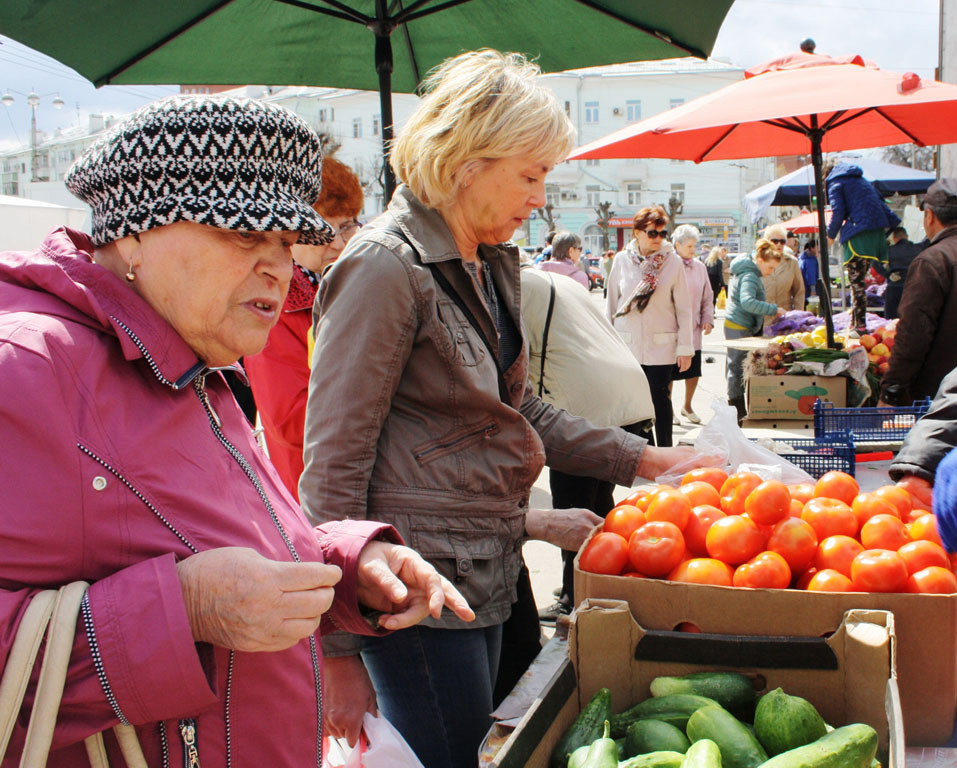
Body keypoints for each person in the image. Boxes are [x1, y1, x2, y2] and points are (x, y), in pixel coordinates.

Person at [0, 95, 473, 767]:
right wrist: (185, 609)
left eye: (286, 241)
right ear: (133, 233)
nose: (279, 267)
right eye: (244, 235)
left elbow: (229, 540)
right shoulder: (27, 368)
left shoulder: (188, 358)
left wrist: (343, 565)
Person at [298, 50, 702, 768]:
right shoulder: (384, 269)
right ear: (464, 162)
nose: (540, 195)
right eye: (530, 173)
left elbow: (516, 411)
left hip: (484, 569)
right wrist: (334, 648)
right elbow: (333, 464)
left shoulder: (479, 265)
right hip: (413, 590)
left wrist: (642, 459)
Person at [521, 267, 655, 621]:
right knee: (598, 502)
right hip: (630, 392)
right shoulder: (556, 280)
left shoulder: (514, 288)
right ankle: (598, 577)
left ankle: (574, 593)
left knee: (573, 505)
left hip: (584, 404)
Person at [245, 156, 363, 499]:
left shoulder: (344, 285)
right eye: (327, 231)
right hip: (316, 488)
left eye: (348, 226)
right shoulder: (275, 307)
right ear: (292, 235)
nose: (340, 243)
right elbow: (291, 421)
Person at [607, 206, 693, 448]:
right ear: (637, 233)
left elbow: (685, 309)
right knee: (633, 402)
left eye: (662, 233)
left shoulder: (672, 262)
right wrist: (607, 346)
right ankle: (642, 453)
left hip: (661, 346)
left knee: (659, 400)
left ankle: (665, 451)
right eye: (652, 233)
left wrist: (685, 347)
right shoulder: (622, 261)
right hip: (628, 345)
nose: (658, 239)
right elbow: (611, 304)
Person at [880, 179, 957, 406]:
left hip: (940, 399)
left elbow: (914, 333)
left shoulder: (934, 260)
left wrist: (891, 390)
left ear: (930, 216)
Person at [826, 162, 901, 331]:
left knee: (856, 283)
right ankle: (856, 322)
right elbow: (884, 207)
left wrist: (830, 235)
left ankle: (859, 326)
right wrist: (889, 230)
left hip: (858, 236)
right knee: (859, 281)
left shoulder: (835, 183)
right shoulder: (863, 181)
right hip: (876, 235)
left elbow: (838, 211)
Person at [724, 239, 786, 422]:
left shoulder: (749, 272)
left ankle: (738, 410)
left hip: (740, 324)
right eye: (770, 267)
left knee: (736, 367)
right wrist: (772, 309)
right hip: (739, 326)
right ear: (760, 260)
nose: (770, 272)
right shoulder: (750, 276)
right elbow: (748, 302)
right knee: (736, 369)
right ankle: (737, 411)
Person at [669, 225, 713, 425]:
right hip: (670, 326)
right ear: (677, 245)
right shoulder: (669, 265)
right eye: (689, 246)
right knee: (669, 370)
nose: (693, 250)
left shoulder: (700, 267)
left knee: (694, 370)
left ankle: (687, 406)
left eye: (694, 246)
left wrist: (708, 318)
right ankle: (667, 408)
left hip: (693, 327)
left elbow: (707, 296)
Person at [760, 222, 805, 322]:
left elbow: (799, 292)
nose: (779, 244)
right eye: (774, 241)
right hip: (761, 320)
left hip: (785, 319)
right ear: (766, 242)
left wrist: (797, 316)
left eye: (782, 241)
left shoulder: (792, 262)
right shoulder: (759, 262)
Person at [884, 226, 924, 320]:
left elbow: (876, 263)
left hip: (894, 286)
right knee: (912, 319)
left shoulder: (889, 250)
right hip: (912, 286)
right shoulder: (918, 248)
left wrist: (888, 275)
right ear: (907, 236)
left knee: (891, 321)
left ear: (894, 238)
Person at [798, 238, 820, 308]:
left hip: (801, 291)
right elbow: (811, 276)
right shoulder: (810, 260)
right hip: (808, 292)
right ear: (813, 248)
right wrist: (813, 291)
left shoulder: (801, 258)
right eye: (817, 247)